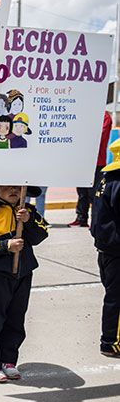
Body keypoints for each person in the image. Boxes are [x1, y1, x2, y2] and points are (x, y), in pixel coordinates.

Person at [0, 185, 48, 382]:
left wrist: (28, 222)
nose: (13, 190)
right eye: (6, 186)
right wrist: (6, 245)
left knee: (16, 318)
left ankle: (9, 360)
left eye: (17, 186)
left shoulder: (29, 212)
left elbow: (41, 234)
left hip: (23, 274)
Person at [91, 139, 120, 358]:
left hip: (105, 248)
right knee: (116, 297)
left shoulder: (105, 178)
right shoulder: (118, 181)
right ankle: (112, 341)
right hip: (116, 249)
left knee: (113, 293)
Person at [69, 111, 112, 227]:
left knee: (94, 194)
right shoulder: (86, 112)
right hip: (83, 161)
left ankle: (95, 221)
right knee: (82, 193)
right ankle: (81, 218)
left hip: (97, 162)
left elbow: (99, 137)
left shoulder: (104, 116)